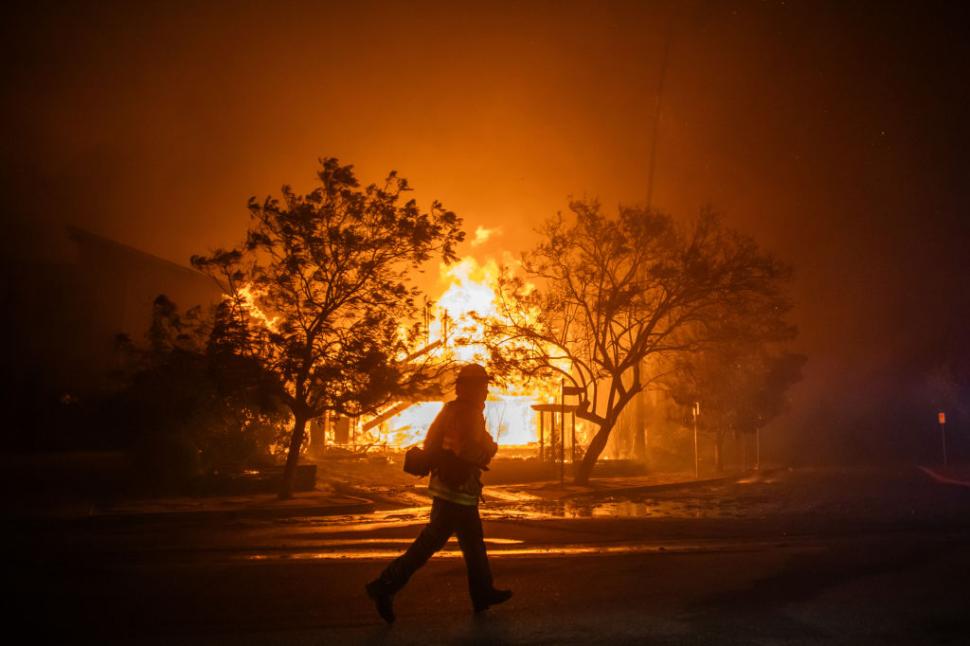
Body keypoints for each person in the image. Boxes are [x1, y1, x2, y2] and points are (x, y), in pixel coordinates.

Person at [365, 363, 512, 624]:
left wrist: (485, 444)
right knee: (431, 546)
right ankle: (384, 586)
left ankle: (482, 594)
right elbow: (465, 449)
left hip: (454, 489)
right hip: (455, 492)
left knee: (472, 544)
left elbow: (453, 442)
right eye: (482, 386)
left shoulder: (455, 410)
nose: (485, 391)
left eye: (485, 386)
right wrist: (488, 451)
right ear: (468, 387)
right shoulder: (467, 413)